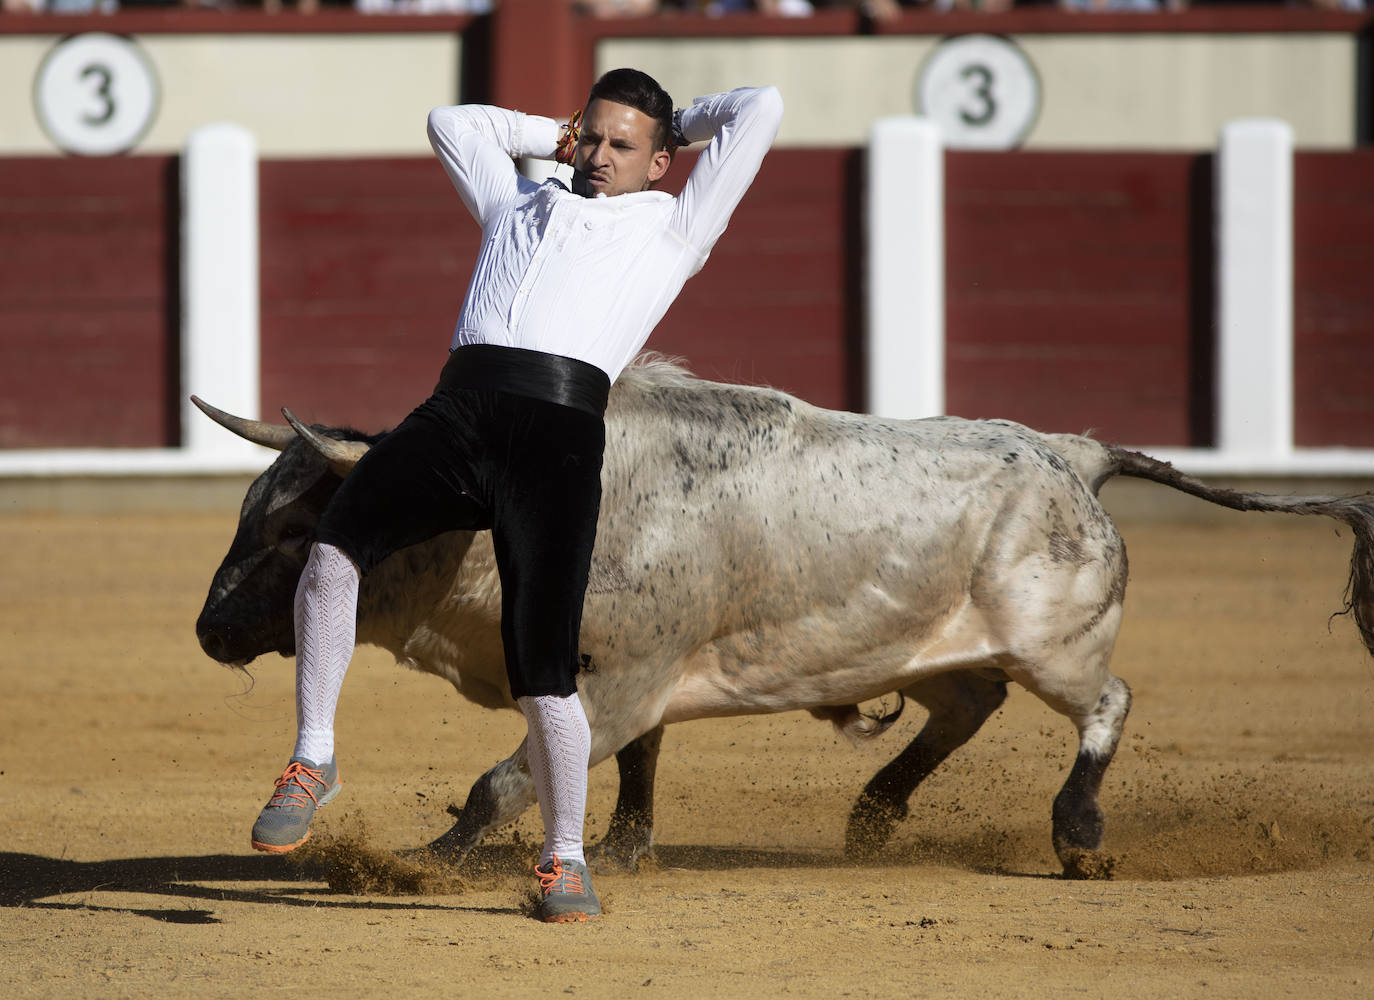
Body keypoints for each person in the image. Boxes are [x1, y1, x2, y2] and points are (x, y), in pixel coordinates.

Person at [247, 69, 783, 923]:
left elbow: (762, 109)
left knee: (543, 665)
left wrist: (677, 123)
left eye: (621, 146)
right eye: (591, 138)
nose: (598, 157)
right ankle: (314, 760)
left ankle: (563, 857)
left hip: (558, 435)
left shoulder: (676, 229)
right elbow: (451, 122)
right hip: (456, 411)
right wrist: (554, 132)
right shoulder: (518, 204)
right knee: (335, 549)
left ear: (659, 164)